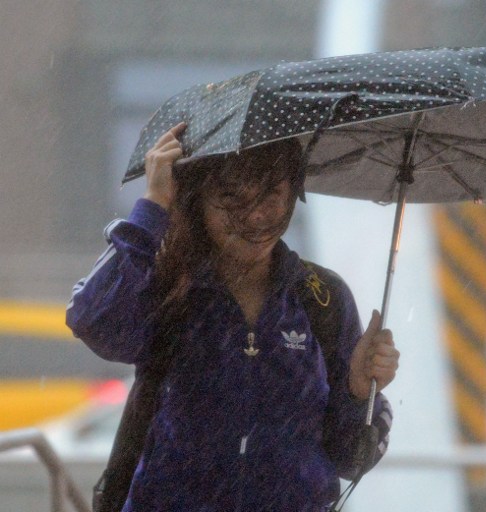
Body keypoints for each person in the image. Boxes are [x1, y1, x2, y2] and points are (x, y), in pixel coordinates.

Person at [66, 122, 400, 511]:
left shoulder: (321, 299)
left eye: (271, 194)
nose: (255, 216)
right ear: (196, 198)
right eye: (231, 197)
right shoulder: (168, 287)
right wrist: (153, 205)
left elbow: (351, 459)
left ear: (292, 195)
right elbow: (94, 321)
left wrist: (359, 393)